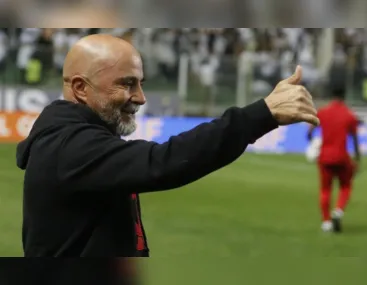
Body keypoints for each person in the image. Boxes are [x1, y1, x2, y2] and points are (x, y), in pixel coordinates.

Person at [16, 34, 319, 257]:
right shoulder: (68, 146)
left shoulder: (75, 138)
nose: (141, 97)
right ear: (81, 88)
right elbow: (162, 162)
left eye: (141, 83)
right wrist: (261, 115)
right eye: (127, 83)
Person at [307, 88, 361, 233]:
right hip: (342, 157)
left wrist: (314, 144)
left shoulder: (323, 112)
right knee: (346, 186)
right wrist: (357, 159)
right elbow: (355, 140)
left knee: (325, 189)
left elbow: (309, 131)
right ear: (344, 96)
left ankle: (326, 222)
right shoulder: (349, 115)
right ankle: (338, 211)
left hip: (325, 157)